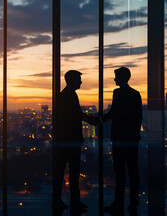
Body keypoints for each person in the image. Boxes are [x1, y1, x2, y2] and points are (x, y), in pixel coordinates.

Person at [52, 70, 97, 214]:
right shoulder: (68, 96)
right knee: (72, 173)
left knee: (65, 173)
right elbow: (77, 115)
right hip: (69, 141)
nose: (81, 82)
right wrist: (95, 121)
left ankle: (65, 201)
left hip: (65, 141)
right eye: (79, 79)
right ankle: (72, 202)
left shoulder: (66, 95)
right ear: (71, 80)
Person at [102, 67, 142, 215]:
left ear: (122, 77)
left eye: (116, 76)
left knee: (119, 172)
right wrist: (134, 133)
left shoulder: (117, 93)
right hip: (132, 139)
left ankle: (118, 204)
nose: (114, 79)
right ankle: (133, 204)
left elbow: (114, 113)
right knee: (133, 172)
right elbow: (138, 117)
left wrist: (100, 120)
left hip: (119, 138)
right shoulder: (136, 94)